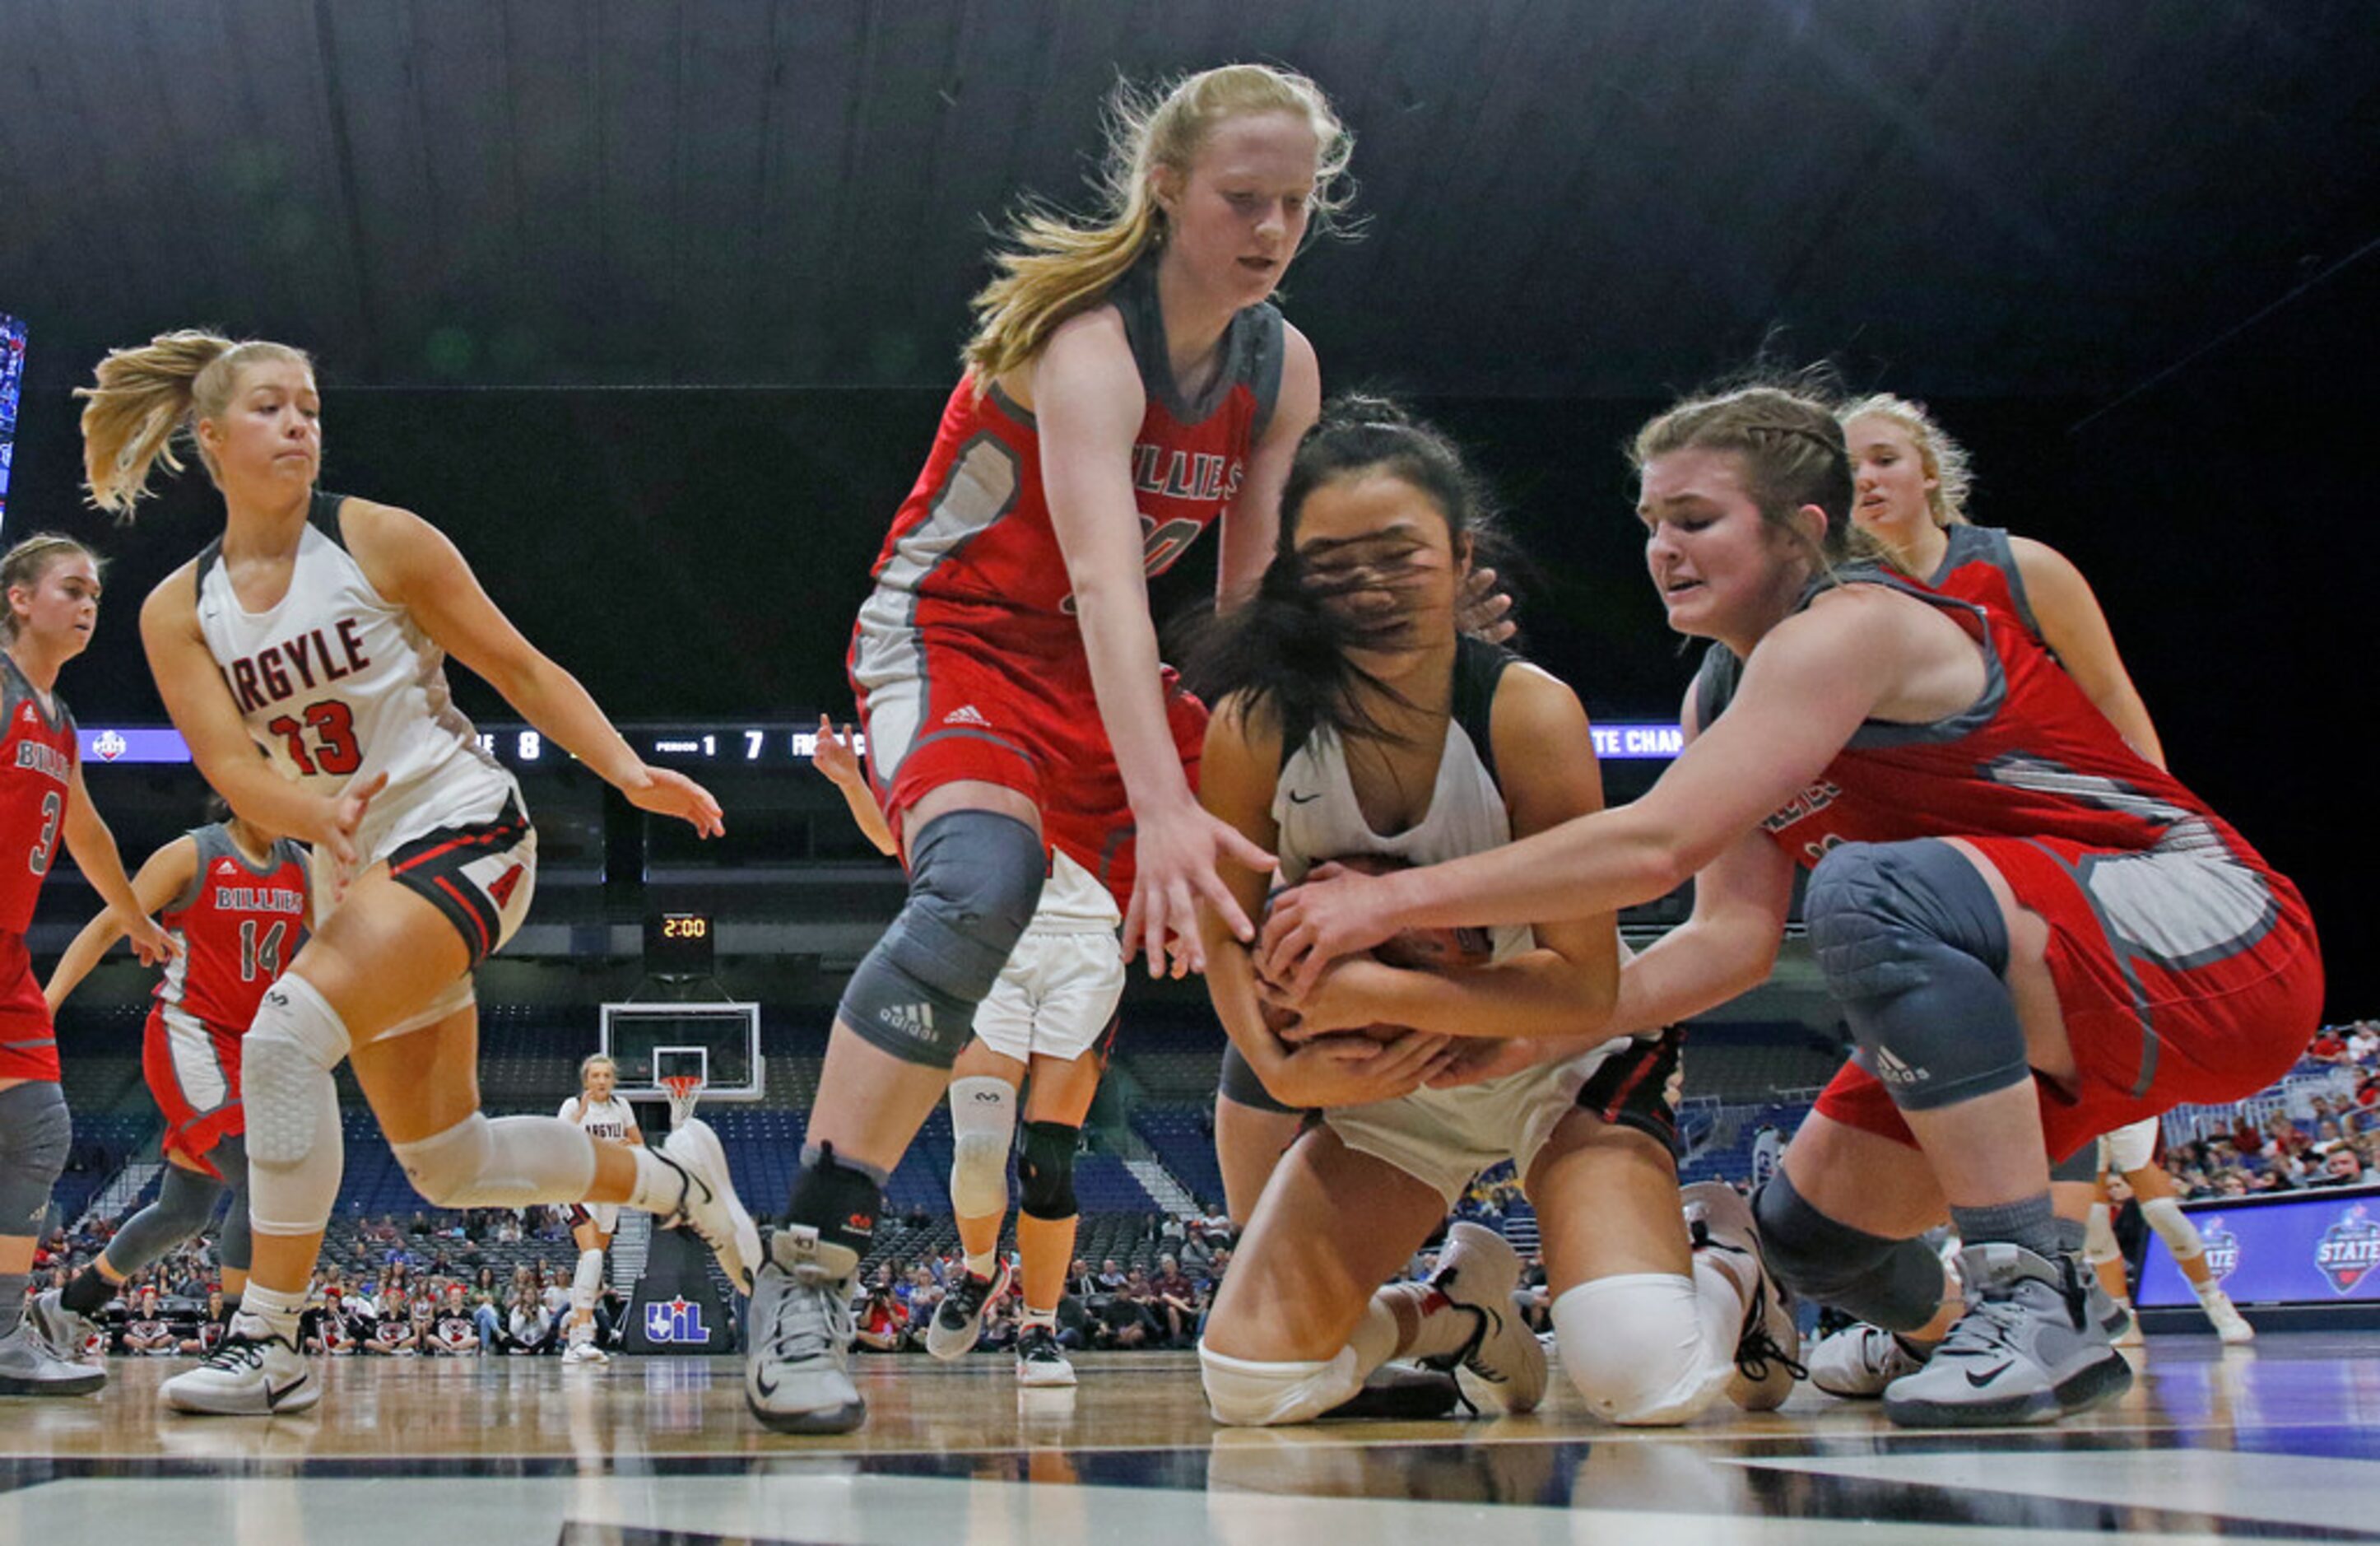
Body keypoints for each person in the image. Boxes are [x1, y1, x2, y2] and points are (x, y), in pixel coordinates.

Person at [1258, 384, 2322, 1427]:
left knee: (1868, 886)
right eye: (1651, 524)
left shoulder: (1856, 621)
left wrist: (1386, 900)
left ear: (1802, 529)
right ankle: (1955, 1323)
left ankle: (2026, 1296)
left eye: (1695, 519)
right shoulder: (1721, 688)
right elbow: (1725, 940)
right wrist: (1525, 1033)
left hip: (2214, 941)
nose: (1661, 548)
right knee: (1814, 1234)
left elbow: (1652, 843)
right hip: (2047, 990)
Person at [754, 63, 1348, 1434]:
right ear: (1163, 190)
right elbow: (1100, 576)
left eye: (1294, 207)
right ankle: (806, 1270)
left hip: (1111, 666)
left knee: (1315, 851)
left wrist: (1282, 772)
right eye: (1240, 200)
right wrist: (1162, 804)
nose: (1267, 230)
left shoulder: (1280, 363)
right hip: (954, 635)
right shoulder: (1089, 338)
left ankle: (1334, 1283)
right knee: (982, 882)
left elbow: (1243, 612)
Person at [76, 331, 756, 1416]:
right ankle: (682, 1182)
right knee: (450, 1161)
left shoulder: (378, 539)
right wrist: (313, 812)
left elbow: (519, 665)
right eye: (269, 407)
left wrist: (626, 770)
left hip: (463, 828)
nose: (300, 421)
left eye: (308, 404)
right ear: (209, 438)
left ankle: (271, 1339)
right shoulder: (176, 609)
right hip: (353, 868)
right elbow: (233, 766)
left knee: (286, 1034)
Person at [1191, 402, 1788, 1429]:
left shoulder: (1526, 710)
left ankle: (1729, 1262)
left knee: (1638, 1379)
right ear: (1291, 575)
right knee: (1248, 1385)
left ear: (1460, 553)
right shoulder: (1251, 727)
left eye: (1399, 554)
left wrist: (1370, 987)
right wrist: (1280, 1062)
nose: (1367, 586)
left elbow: (1585, 985)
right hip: (1399, 1087)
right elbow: (1224, 937)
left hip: (1561, 1061)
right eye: (1331, 562)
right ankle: (1458, 1313)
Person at [813, 711, 1171, 1389]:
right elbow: (899, 841)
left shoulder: (1109, 734)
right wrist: (850, 780)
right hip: (990, 943)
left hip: (1086, 949)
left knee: (1048, 1161)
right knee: (978, 1148)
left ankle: (1037, 1327)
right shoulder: (969, 735)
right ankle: (981, 1272)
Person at [33, 800, 311, 1362]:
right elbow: (110, 921)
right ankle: (242, 1340)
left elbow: (343, 938)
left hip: (256, 1050)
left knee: (183, 1213)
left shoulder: (301, 865)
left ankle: (66, 1305)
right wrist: (48, 1002)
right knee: (264, 1180)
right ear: (240, 786)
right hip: (192, 1041)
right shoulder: (194, 853)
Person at [0, 533, 176, 1398]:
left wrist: (138, 919)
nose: (87, 607)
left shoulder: (59, 720)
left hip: (7, 968)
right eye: (71, 589)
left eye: (95, 597)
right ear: (20, 598)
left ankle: (1, 1337)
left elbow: (86, 833)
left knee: (39, 1132)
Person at [2086, 1118, 2253, 1344]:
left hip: (2128, 1101)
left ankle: (2215, 1302)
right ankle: (2121, 1316)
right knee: (2093, 1218)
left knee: (2161, 1210)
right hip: (2078, 1104)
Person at [556, 1054, 643, 1366]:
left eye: (606, 1075)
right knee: (592, 1256)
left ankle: (576, 1338)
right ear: (586, 1080)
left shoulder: (621, 1108)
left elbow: (639, 1145)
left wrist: (625, 1149)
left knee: (591, 1263)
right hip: (578, 1186)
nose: (602, 1081)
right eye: (595, 1076)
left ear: (613, 1080)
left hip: (609, 1190)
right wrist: (579, 1115)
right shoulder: (571, 1107)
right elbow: (558, 1144)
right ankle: (580, 1336)